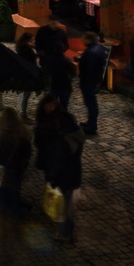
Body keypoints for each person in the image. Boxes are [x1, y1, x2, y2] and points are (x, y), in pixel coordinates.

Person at [42, 100, 86, 242]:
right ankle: (68, 231)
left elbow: (58, 164)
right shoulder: (76, 135)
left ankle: (64, 234)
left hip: (64, 178)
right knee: (68, 205)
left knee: (64, 207)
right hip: (73, 175)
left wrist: (52, 180)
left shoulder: (63, 141)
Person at [0, 107, 32, 218]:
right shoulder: (22, 134)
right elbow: (27, 153)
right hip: (14, 169)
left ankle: (1, 213)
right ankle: (16, 212)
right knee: (14, 192)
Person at [77, 33, 110, 135]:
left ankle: (91, 126)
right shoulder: (99, 48)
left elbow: (89, 68)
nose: (82, 41)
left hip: (88, 80)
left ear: (89, 39)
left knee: (90, 103)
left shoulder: (91, 52)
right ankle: (90, 123)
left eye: (83, 39)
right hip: (93, 79)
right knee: (91, 103)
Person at [14, 33, 42, 115]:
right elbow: (31, 58)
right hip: (28, 72)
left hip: (25, 71)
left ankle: (20, 109)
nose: (33, 41)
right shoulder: (25, 49)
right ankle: (22, 112)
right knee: (26, 94)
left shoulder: (23, 47)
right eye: (32, 39)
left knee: (23, 93)